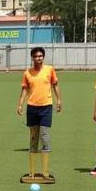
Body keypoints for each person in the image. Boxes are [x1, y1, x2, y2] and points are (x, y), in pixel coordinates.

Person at [16, 47, 62, 180]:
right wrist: (20, 104)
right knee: (33, 138)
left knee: (45, 136)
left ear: (43, 57)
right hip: (32, 107)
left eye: (41, 56)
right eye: (36, 56)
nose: (39, 58)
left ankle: (45, 173)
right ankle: (32, 172)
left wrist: (59, 100)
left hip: (46, 107)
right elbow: (24, 89)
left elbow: (55, 85)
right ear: (32, 58)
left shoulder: (49, 70)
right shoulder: (27, 73)